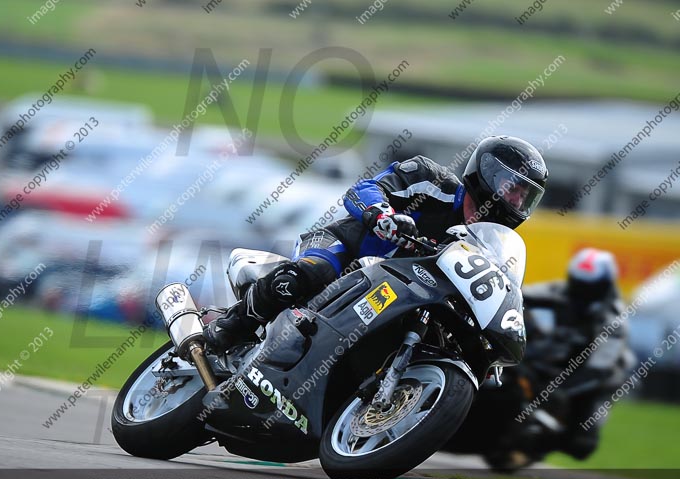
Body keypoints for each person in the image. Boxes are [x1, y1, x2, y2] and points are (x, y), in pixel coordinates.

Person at [204, 135, 549, 350]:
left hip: (398, 294)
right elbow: (363, 190)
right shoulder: (431, 180)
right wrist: (381, 214)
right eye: (511, 187)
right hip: (348, 248)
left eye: (525, 196)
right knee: (311, 273)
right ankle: (231, 325)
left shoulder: (490, 244)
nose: (516, 201)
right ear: (486, 173)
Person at [521, 248, 635, 460]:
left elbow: (598, 370)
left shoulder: (614, 319)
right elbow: (520, 294)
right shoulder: (561, 291)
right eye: (578, 285)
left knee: (581, 444)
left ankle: (551, 437)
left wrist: (558, 390)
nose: (581, 293)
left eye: (589, 288)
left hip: (599, 375)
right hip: (560, 355)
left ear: (604, 285)